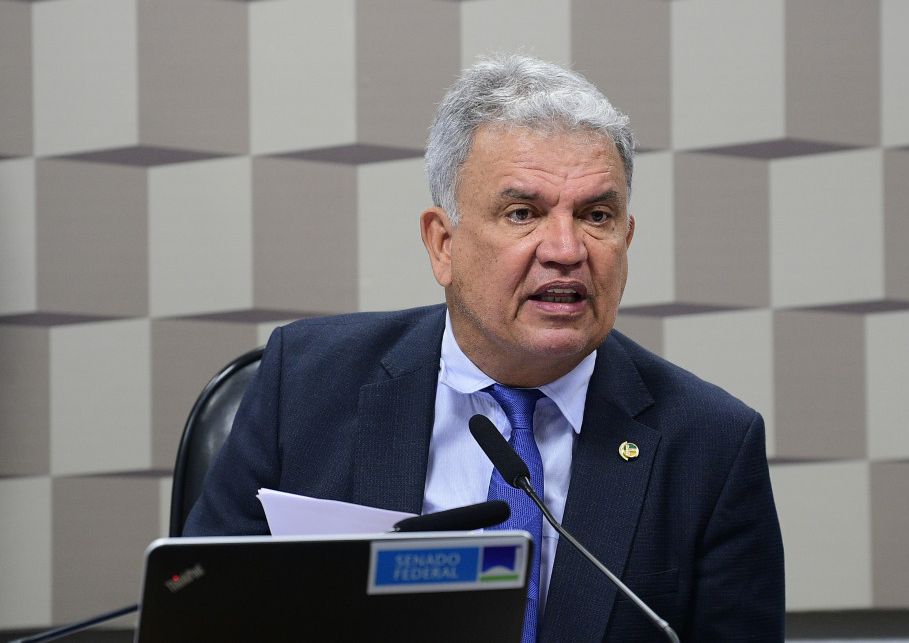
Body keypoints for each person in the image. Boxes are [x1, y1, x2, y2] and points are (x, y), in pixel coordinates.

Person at [184, 54, 785, 641]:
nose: (566, 249)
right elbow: (197, 608)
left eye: (596, 215)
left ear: (626, 239)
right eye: (523, 212)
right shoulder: (307, 384)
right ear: (442, 244)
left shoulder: (710, 446)